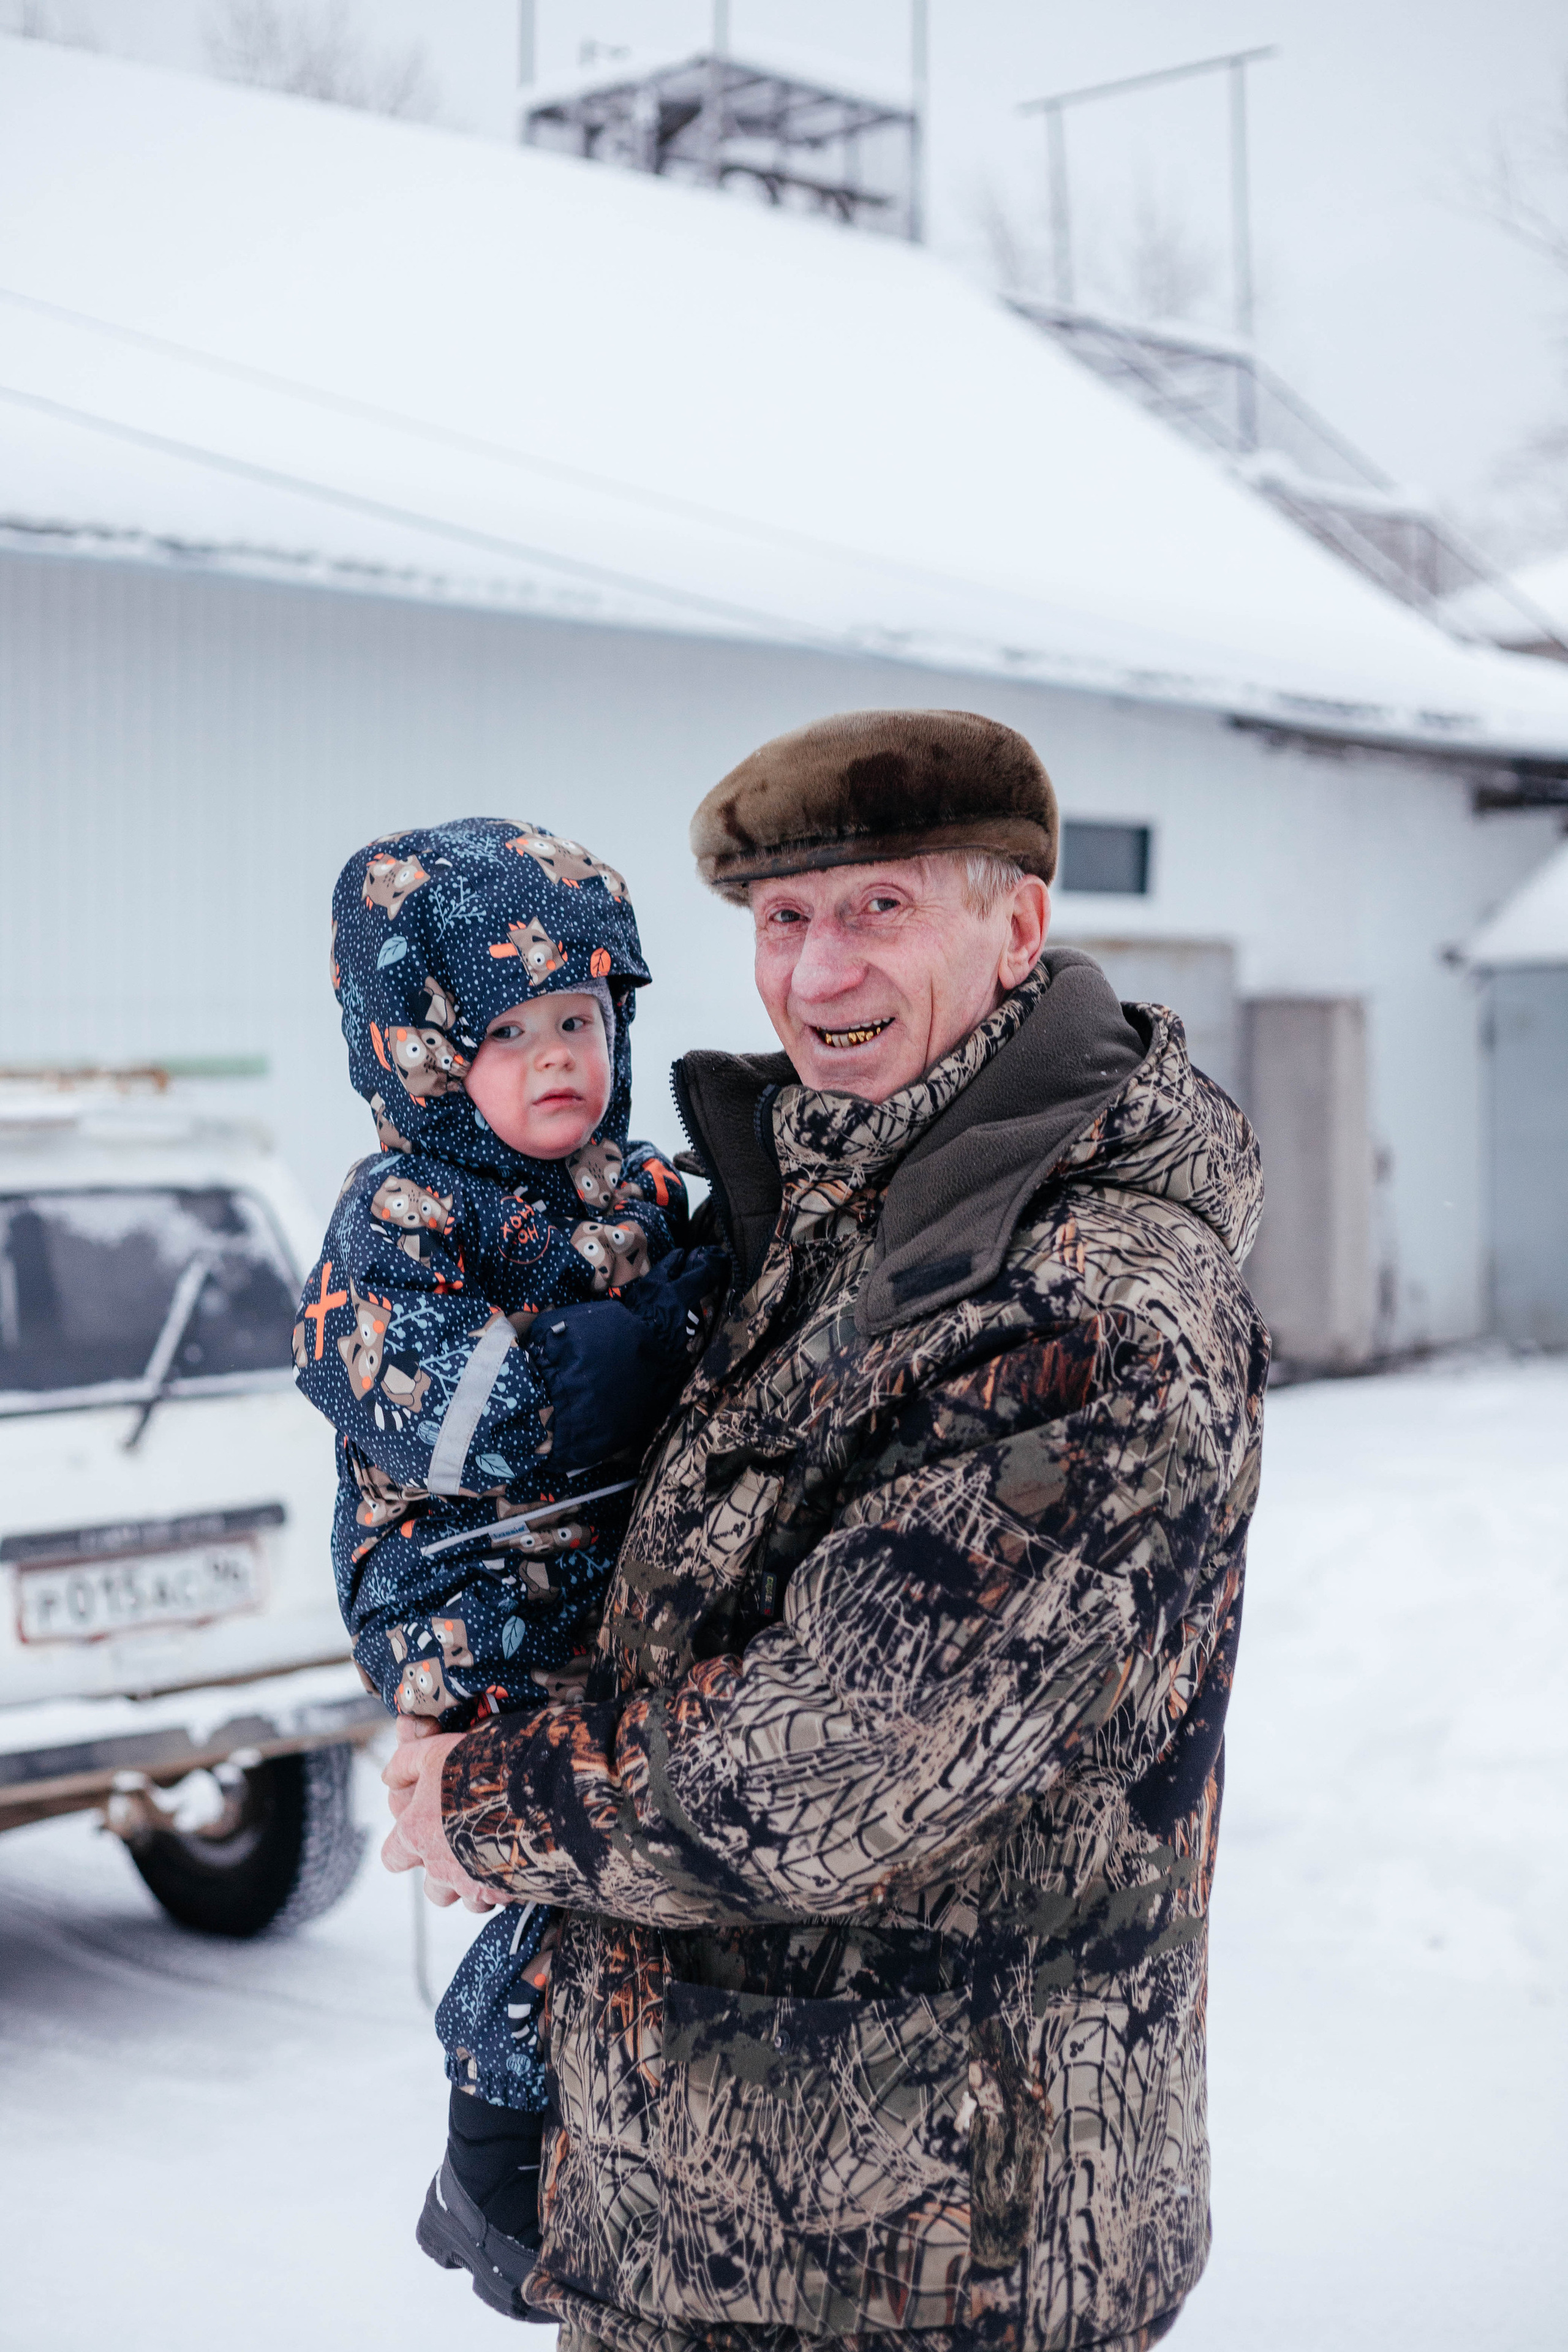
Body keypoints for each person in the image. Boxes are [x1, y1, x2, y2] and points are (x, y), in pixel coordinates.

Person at [383, 711, 1268, 2352]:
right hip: (720, 2224)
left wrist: (481, 1799)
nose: (817, 973)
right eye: (782, 919)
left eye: (880, 910)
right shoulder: (817, 1221)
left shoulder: (1084, 1309)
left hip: (926, 2266)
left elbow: (825, 1768)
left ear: (1018, 923)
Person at [293, 816, 719, 2319]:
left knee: (617, 1863)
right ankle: (487, 2162)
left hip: (586, 1581)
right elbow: (409, 1388)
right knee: (557, 1880)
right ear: (422, 1055)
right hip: (463, 1600)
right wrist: (596, 1365)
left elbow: (717, 1290)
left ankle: (570, 2150)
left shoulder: (636, 1185)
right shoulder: (401, 1212)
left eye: (580, 1022)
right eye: (509, 1033)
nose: (558, 1060)